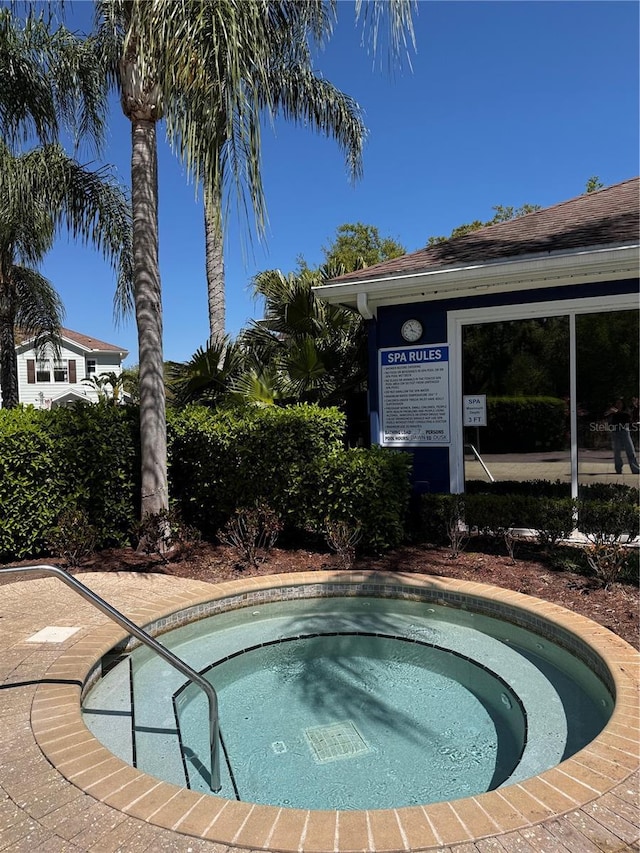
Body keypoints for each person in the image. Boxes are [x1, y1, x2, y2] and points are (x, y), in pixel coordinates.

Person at [604, 398, 640, 474]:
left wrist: (617, 412)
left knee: (630, 450)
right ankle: (618, 469)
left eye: (620, 403)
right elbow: (605, 415)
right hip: (615, 431)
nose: (618, 404)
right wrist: (610, 412)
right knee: (617, 452)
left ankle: (635, 469)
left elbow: (627, 417)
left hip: (624, 431)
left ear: (623, 404)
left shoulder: (626, 410)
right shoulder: (612, 410)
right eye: (617, 403)